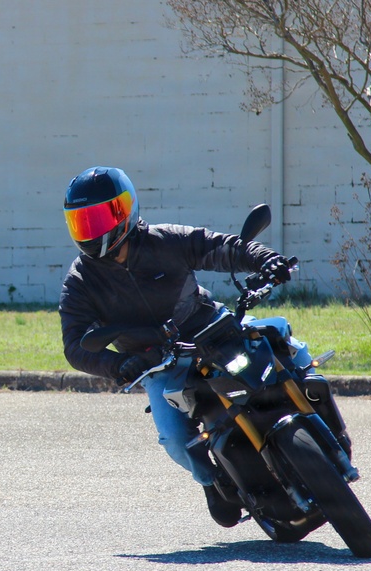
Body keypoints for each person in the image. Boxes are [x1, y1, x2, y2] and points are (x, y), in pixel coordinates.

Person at [58, 166, 292, 527]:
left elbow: (221, 247)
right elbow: (75, 345)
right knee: (172, 436)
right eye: (83, 222)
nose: (94, 230)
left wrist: (264, 258)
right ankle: (213, 481)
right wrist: (118, 365)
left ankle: (315, 409)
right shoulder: (81, 281)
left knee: (282, 339)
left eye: (101, 217)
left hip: (212, 329)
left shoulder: (165, 240)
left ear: (126, 209)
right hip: (155, 361)